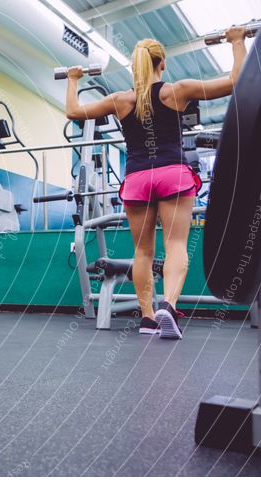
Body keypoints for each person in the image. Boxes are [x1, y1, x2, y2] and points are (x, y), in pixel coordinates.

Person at [65, 26, 247, 339]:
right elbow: (236, 82)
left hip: (136, 179)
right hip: (171, 175)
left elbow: (73, 111)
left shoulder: (120, 99)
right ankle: (169, 306)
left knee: (142, 254)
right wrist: (237, 42)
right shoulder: (177, 90)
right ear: (161, 64)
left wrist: (72, 79)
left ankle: (148, 319)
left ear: (135, 67)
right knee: (175, 244)